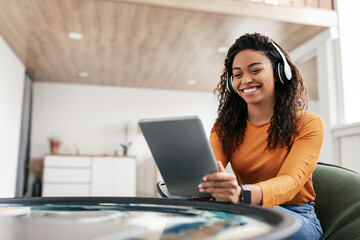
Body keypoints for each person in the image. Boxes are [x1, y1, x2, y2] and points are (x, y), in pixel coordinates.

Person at [197, 33, 324, 240]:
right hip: (242, 210)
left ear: (279, 73)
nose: (245, 80)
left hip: (296, 216)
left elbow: (290, 182)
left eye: (255, 70)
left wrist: (242, 194)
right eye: (237, 74)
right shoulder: (225, 126)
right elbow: (207, 170)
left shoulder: (308, 123)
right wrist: (203, 187)